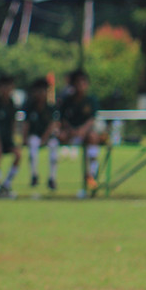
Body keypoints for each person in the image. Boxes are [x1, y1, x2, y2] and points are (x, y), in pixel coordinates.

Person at [57, 69, 104, 197]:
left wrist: (82, 130)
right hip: (70, 133)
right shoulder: (67, 101)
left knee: (93, 137)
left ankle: (92, 173)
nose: (81, 85)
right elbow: (63, 119)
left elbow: (91, 119)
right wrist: (72, 130)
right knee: (58, 138)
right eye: (78, 82)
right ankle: (52, 178)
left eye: (83, 82)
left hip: (85, 134)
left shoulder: (91, 100)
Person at [21, 76, 60, 192]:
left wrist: (45, 138)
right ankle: (34, 175)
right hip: (35, 136)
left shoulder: (50, 107)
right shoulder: (30, 107)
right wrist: (24, 138)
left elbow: (53, 124)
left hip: (48, 137)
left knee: (54, 148)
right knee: (32, 144)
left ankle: (52, 178)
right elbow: (26, 124)